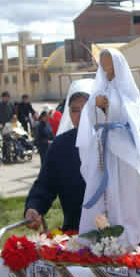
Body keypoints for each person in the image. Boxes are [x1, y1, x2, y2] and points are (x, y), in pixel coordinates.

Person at [76, 48, 140, 248]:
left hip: (123, 148)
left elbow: (130, 113)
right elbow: (90, 115)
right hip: (103, 148)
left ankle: (131, 234)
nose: (106, 67)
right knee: (103, 189)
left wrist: (109, 106)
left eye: (109, 62)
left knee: (126, 190)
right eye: (103, 63)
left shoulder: (127, 88)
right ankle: (100, 235)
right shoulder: (101, 86)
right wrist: (95, 105)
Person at [24, 84, 92, 231]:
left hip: (116, 237)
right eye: (75, 110)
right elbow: (45, 184)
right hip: (76, 234)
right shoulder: (61, 146)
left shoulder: (112, 143)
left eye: (87, 109)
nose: (81, 116)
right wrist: (34, 207)